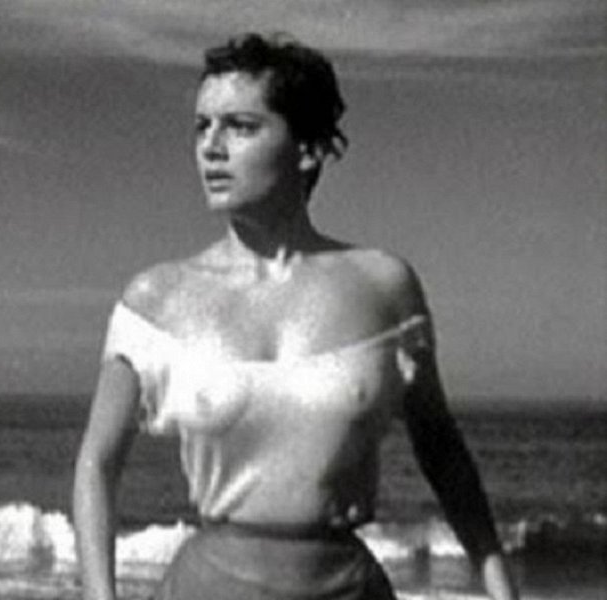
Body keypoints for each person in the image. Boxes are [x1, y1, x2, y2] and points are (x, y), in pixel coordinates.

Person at [72, 32, 520, 600]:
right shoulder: (157, 298)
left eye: (240, 126)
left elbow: (442, 452)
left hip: (347, 589)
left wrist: (501, 587)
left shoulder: (385, 287)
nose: (211, 147)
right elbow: (97, 463)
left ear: (307, 148)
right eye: (202, 126)